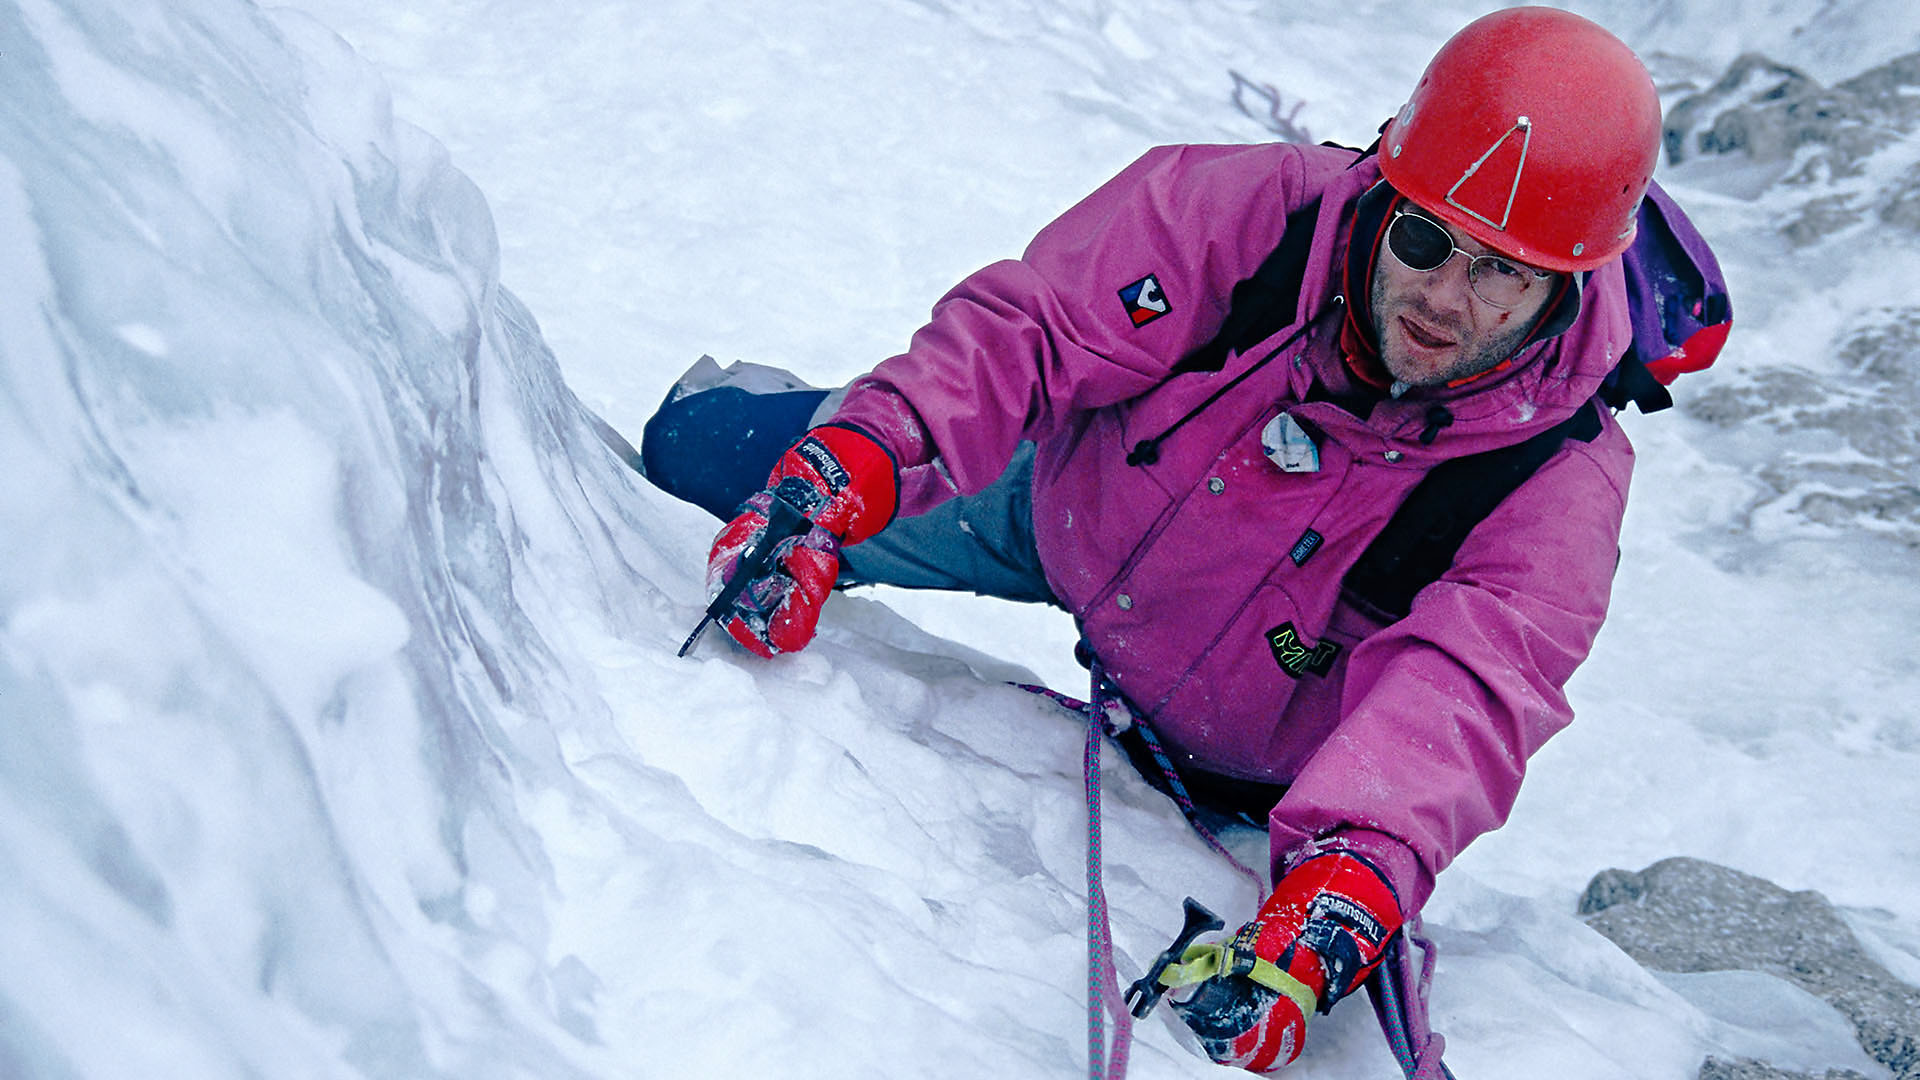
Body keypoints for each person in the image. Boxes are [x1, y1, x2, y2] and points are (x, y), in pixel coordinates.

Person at [639, 7, 1663, 1073]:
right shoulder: (1258, 217)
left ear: (1568, 283)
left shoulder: (1556, 482)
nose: (1445, 301)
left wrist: (1335, 903)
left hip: (1250, 758)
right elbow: (1032, 334)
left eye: (1502, 271)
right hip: (1060, 514)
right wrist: (846, 474)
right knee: (691, 452)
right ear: (1388, 185)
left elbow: (1462, 703)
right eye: (1425, 241)